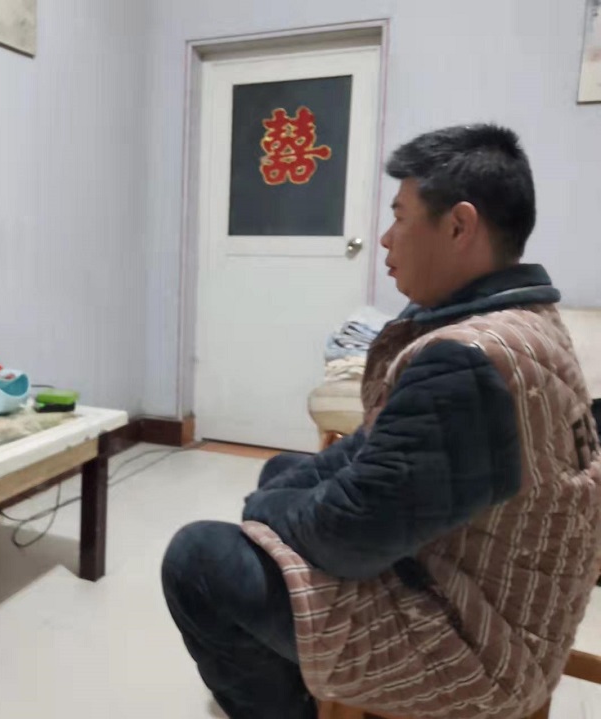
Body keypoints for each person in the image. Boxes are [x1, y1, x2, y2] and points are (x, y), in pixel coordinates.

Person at [162, 124, 601, 719]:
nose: (387, 239)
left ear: (459, 226)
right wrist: (277, 499)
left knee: (198, 561)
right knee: (284, 472)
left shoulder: (468, 361)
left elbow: (350, 539)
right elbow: (370, 445)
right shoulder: (524, 320)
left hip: (481, 651)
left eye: (400, 217)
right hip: (488, 594)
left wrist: (264, 514)